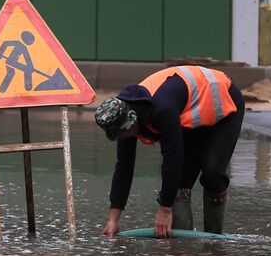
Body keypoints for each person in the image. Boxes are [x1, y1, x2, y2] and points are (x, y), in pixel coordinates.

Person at [95, 65, 245, 238]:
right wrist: (113, 220)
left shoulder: (162, 109)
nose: (128, 136)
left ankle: (214, 241)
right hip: (191, 112)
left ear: (133, 120)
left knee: (212, 174)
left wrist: (165, 210)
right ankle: (183, 250)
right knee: (179, 184)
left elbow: (172, 158)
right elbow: (124, 167)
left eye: (128, 132)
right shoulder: (122, 116)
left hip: (223, 103)